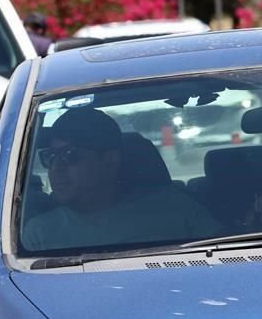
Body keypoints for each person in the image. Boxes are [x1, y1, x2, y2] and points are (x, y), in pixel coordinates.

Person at [23, 107, 218, 251]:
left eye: (70, 155)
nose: (56, 168)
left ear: (109, 160)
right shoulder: (37, 235)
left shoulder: (175, 208)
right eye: (50, 157)